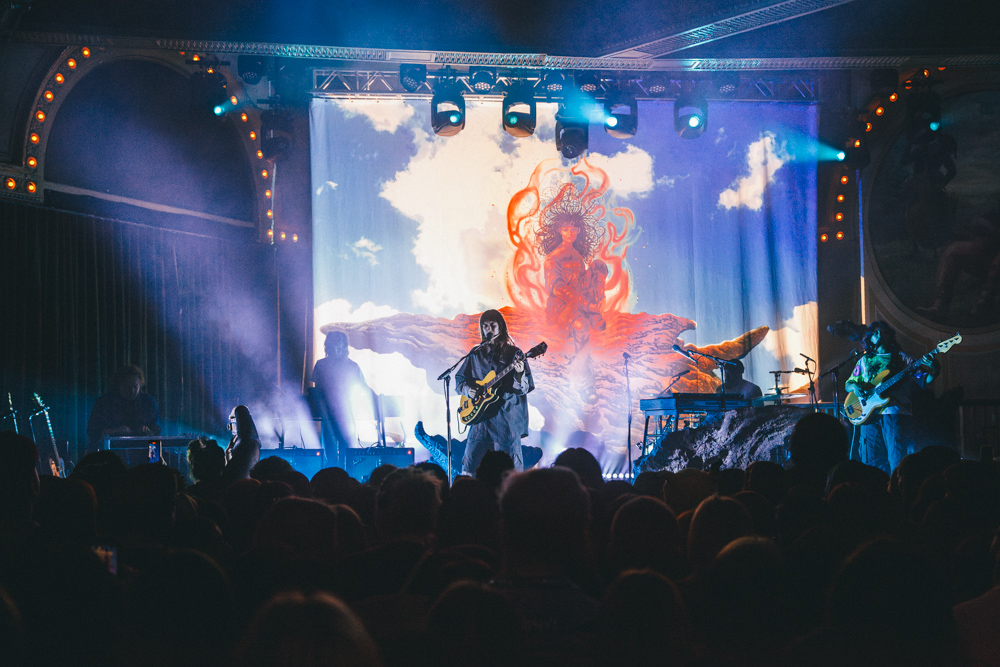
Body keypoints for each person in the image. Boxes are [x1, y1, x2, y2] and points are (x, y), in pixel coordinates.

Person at [844, 321, 939, 474]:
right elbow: (849, 385)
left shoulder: (902, 358)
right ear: (870, 338)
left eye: (882, 332)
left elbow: (924, 379)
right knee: (871, 461)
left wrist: (935, 370)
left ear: (889, 336)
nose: (879, 334)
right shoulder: (865, 360)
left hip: (894, 411)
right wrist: (855, 386)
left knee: (897, 460)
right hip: (868, 414)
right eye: (875, 332)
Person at [455, 310, 534, 474]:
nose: (489, 329)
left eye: (493, 325)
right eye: (485, 326)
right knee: (470, 468)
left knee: (508, 472)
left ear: (501, 327)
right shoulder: (475, 353)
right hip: (479, 421)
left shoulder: (514, 354)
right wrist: (467, 389)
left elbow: (524, 388)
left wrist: (519, 373)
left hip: (505, 421)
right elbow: (460, 379)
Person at [310, 331, 376, 468]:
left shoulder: (349, 366)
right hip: (334, 414)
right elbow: (316, 391)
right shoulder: (344, 365)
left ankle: (337, 476)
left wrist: (376, 397)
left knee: (339, 450)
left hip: (339, 414)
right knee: (340, 450)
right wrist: (376, 398)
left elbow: (316, 391)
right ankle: (343, 477)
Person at [86, 365, 160, 449]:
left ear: (141, 384)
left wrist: (148, 431)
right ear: (119, 385)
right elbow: (92, 431)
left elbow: (156, 431)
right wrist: (115, 431)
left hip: (143, 451)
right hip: (111, 453)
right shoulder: (104, 402)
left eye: (135, 387)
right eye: (127, 387)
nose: (132, 391)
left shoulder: (148, 401)